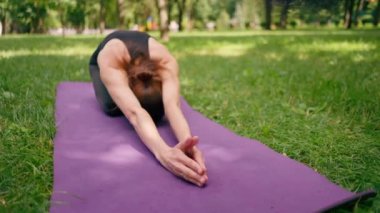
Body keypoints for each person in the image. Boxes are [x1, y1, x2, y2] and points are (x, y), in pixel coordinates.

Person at [89, 30, 208, 187]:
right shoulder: (112, 60)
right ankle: (121, 97)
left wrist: (188, 144)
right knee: (113, 106)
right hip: (102, 64)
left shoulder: (166, 61)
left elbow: (173, 106)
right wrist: (163, 152)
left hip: (142, 62)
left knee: (156, 107)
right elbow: (134, 113)